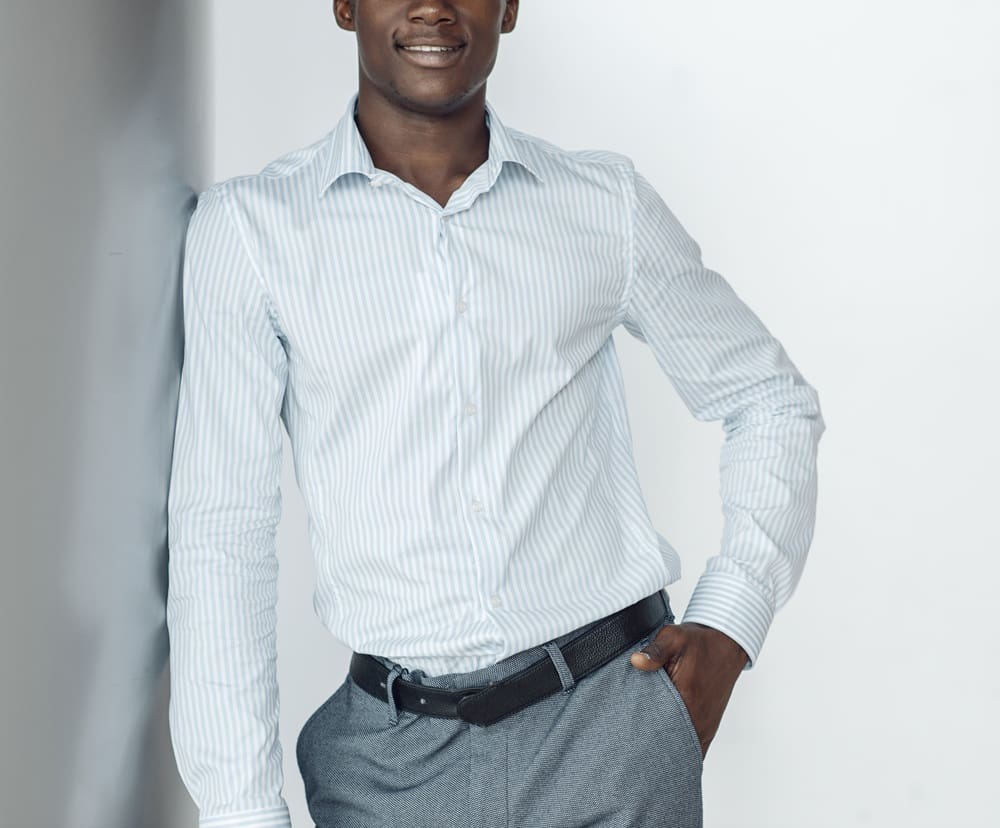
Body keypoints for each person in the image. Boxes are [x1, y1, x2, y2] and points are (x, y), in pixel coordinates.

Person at [165, 1, 826, 826]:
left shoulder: (600, 203)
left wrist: (730, 625)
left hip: (610, 729)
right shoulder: (252, 232)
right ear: (344, 4)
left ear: (509, 7)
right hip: (387, 770)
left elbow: (768, 399)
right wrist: (242, 813)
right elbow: (220, 534)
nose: (433, 5)